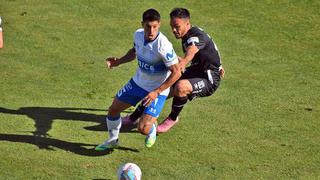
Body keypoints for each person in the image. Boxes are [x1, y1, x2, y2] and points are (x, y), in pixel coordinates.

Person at [122, 7, 224, 133]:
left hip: (209, 78)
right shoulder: (189, 33)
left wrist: (184, 62)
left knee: (180, 87)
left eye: (177, 26)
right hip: (197, 70)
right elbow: (210, 50)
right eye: (172, 26)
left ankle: (173, 118)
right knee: (162, 84)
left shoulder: (195, 36)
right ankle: (134, 117)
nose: (174, 30)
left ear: (187, 23)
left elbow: (192, 50)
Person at [95, 8, 181, 151]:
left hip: (157, 90)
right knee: (113, 110)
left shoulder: (163, 46)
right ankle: (112, 140)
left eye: (155, 26)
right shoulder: (138, 35)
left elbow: (177, 72)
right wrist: (119, 61)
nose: (152, 31)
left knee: (143, 128)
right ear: (142, 24)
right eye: (148, 26)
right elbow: (134, 52)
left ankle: (151, 129)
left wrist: (157, 92)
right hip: (138, 83)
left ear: (159, 24)